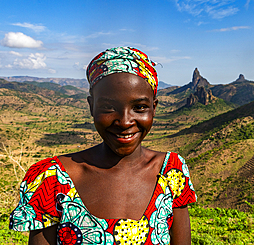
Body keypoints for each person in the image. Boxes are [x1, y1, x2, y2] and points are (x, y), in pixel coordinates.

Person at [9, 47, 197, 245]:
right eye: (108, 107)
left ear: (154, 108)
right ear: (91, 106)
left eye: (139, 107)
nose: (125, 122)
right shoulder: (51, 179)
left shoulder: (172, 171)